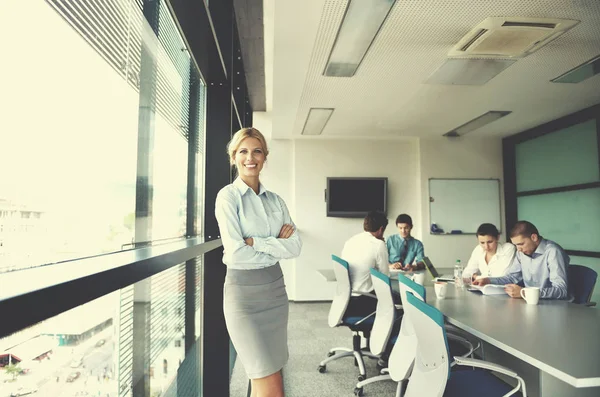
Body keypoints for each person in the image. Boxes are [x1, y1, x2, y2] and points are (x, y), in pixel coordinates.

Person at [215, 127, 302, 397]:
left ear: (265, 157)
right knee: (269, 383)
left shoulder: (276, 200)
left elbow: (296, 246)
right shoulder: (228, 197)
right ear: (233, 157)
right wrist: (276, 243)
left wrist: (256, 241)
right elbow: (236, 253)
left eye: (257, 151)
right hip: (244, 297)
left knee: (271, 374)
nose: (250, 157)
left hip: (275, 293)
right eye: (243, 151)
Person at [473, 221, 569, 300]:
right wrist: (488, 280)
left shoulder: (553, 252)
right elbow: (512, 278)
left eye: (521, 244)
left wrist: (524, 292)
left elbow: (561, 290)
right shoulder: (521, 252)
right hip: (532, 303)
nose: (518, 249)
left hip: (556, 305)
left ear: (534, 237)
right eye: (515, 245)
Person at [341, 210, 391, 317]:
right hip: (364, 300)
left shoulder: (350, 241)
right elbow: (384, 278)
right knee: (399, 306)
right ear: (381, 229)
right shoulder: (378, 245)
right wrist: (383, 245)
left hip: (346, 300)